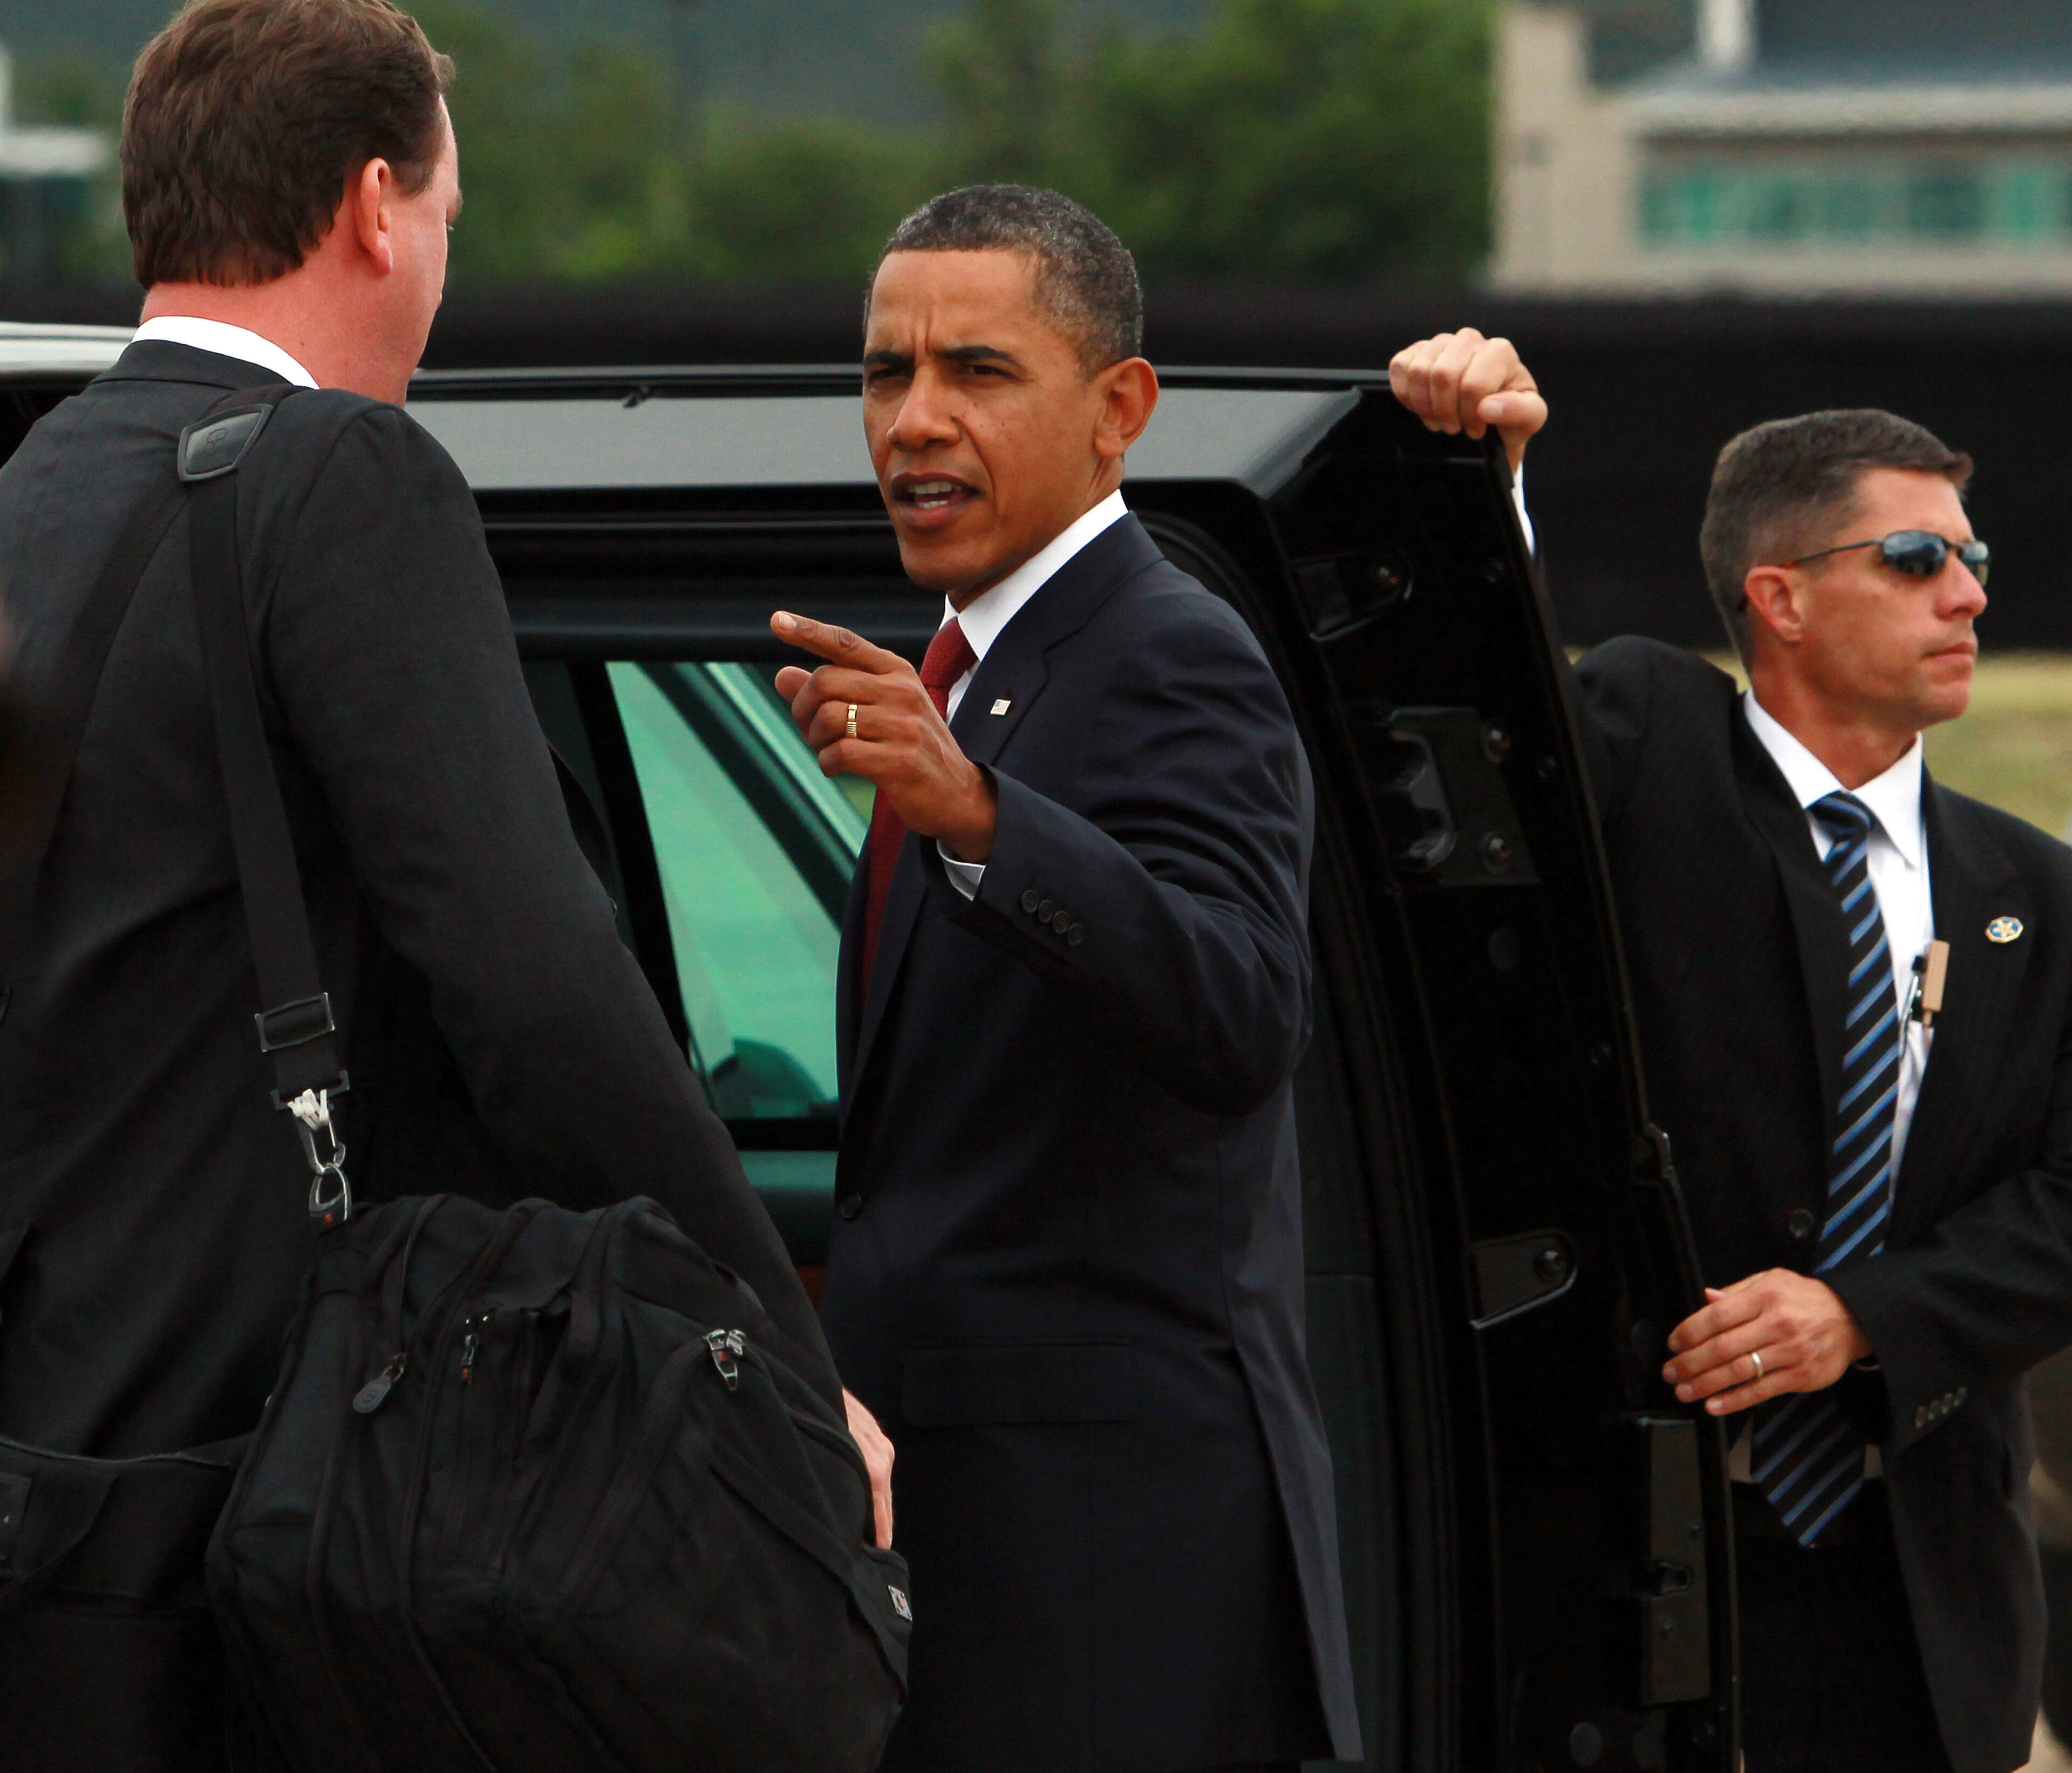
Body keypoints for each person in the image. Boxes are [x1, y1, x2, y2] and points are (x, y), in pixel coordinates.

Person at [0, 2, 835, 1764]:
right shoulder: (342, 474)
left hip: (59, 1494)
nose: (442, 258)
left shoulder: (40, 489)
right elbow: (534, 976)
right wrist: (779, 1350)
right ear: (377, 204)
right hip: (269, 1517)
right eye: (450, 211)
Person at [1391, 331, 2072, 1773]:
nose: (1970, 593)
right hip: (1651, 1555)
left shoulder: (2037, 893)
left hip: (1921, 1576)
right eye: (1913, 558)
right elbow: (1496, 726)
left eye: (1972, 554)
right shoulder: (1650, 750)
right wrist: (1484, 486)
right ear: (1781, 596)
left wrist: (1867, 1317)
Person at [770, 185, 1361, 1773]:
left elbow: (1243, 1008)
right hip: (965, 1526)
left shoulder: (1168, 647)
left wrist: (982, 820)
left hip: (1106, 1548)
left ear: (1121, 411)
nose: (914, 421)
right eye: (886, 375)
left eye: (977, 371)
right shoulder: (976, 666)